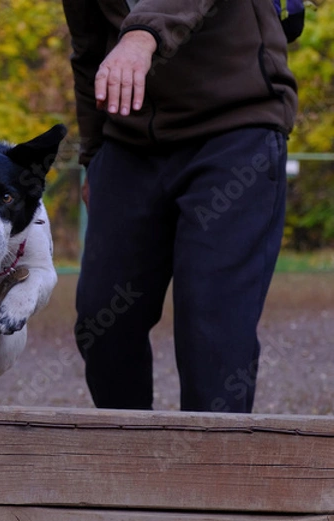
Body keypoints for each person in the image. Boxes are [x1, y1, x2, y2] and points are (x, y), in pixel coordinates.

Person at [62, 0, 298, 412]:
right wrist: (93, 157)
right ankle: (130, 459)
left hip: (236, 128)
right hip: (129, 142)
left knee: (212, 331)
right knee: (103, 322)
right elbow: (88, 50)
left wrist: (140, 35)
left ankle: (211, 470)